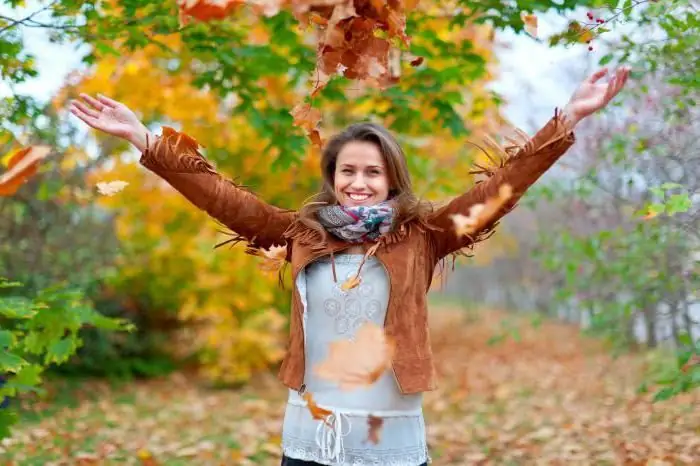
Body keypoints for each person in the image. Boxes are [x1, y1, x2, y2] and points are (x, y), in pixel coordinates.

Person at [70, 66, 629, 466]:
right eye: (347, 172)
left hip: (388, 431)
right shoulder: (301, 232)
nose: (358, 183)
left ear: (391, 180)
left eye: (372, 173)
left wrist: (569, 118)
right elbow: (224, 199)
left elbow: (496, 192)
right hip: (310, 429)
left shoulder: (425, 235)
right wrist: (145, 139)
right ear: (332, 178)